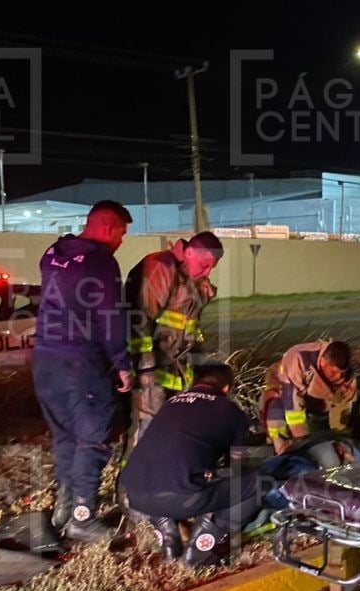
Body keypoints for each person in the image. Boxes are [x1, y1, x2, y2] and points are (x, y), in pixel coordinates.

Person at [32, 200, 134, 543]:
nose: (121, 241)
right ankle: (82, 517)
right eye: (121, 233)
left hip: (45, 359)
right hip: (80, 362)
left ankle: (63, 510)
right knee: (93, 438)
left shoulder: (52, 253)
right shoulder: (101, 262)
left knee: (65, 437)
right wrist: (122, 363)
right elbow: (110, 317)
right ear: (107, 227)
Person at [118, 363, 261, 568]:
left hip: (136, 496)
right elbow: (236, 467)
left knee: (166, 473)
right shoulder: (231, 411)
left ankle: (168, 536)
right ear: (226, 388)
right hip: (180, 497)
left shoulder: (170, 404)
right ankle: (200, 551)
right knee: (257, 483)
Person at [126, 232, 225, 445]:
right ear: (189, 253)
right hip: (151, 370)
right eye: (204, 265)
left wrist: (202, 366)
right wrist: (145, 371)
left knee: (171, 432)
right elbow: (139, 322)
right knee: (148, 431)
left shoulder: (192, 280)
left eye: (211, 268)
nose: (207, 272)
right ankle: (133, 468)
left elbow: (190, 330)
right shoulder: (160, 267)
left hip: (177, 371)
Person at [260, 339, 358, 468]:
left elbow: (343, 414)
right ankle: (279, 453)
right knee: (275, 410)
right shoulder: (298, 358)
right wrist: (304, 444)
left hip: (318, 396)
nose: (338, 377)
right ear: (323, 362)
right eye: (333, 372)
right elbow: (293, 411)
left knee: (334, 440)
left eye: (341, 373)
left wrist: (341, 442)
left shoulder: (347, 378)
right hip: (284, 387)